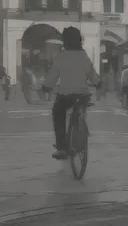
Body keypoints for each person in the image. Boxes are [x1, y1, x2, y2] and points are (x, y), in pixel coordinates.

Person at [42, 26, 100, 160]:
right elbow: (92, 74)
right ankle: (79, 134)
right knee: (80, 110)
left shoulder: (62, 56)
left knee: (58, 112)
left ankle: (62, 147)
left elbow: (53, 76)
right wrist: (98, 83)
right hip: (83, 96)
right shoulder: (83, 55)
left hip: (66, 96)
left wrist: (46, 86)